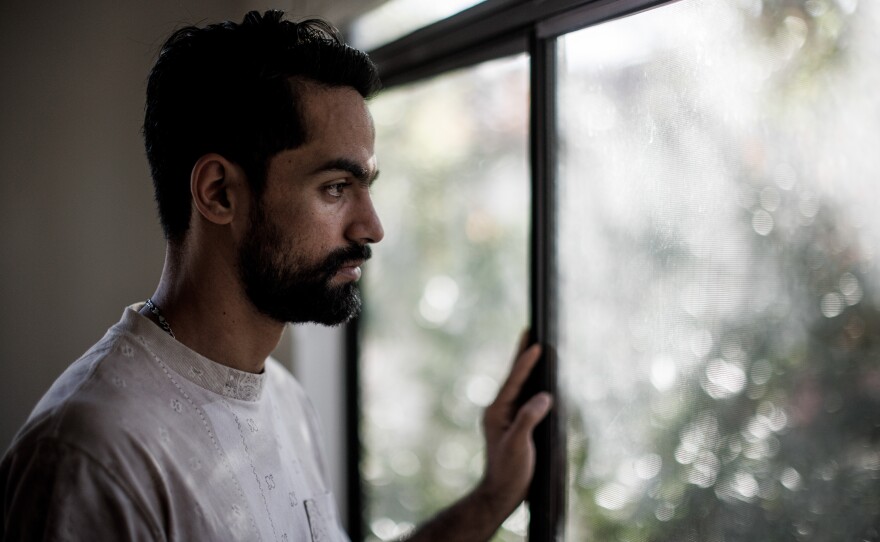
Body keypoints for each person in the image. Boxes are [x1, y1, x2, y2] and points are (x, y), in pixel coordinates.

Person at [0, 10, 552, 541]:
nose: (372, 227)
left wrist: (493, 496)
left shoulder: (286, 400)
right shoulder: (90, 457)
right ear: (219, 192)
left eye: (367, 187)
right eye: (336, 187)